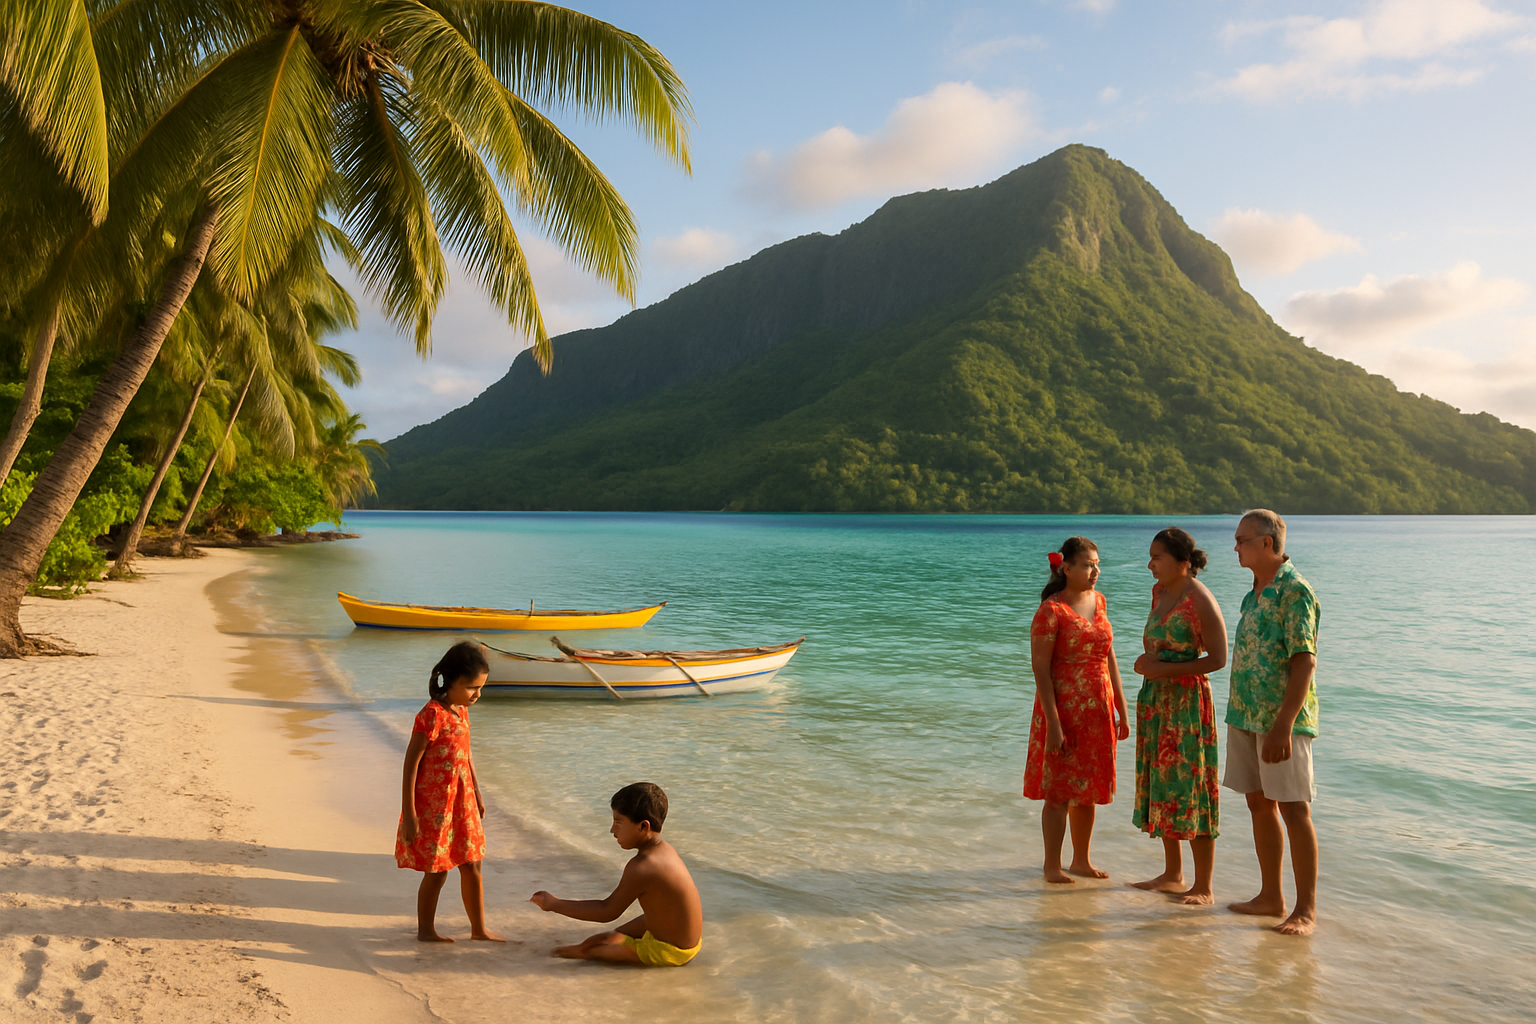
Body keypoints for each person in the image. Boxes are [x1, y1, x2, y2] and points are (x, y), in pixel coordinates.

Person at [1225, 509, 1321, 936]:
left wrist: (1284, 724)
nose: (1236, 546)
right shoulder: (1254, 592)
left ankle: (1306, 910)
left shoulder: (1294, 591)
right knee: (1258, 803)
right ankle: (1270, 897)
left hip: (1281, 720)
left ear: (1267, 543)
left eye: (1242, 539)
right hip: (1245, 713)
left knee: (1294, 809)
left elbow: (1304, 662)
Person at [1023, 536, 1131, 883]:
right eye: (1087, 564)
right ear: (1066, 568)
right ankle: (1051, 866)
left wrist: (1122, 707)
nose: (1095, 570)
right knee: (1058, 792)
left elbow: (1109, 655)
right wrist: (1053, 724)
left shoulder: (1100, 601)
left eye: (1097, 563)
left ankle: (1081, 860)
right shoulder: (1050, 610)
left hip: (1098, 709)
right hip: (1063, 710)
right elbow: (1040, 668)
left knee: (1087, 793)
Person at [1129, 528, 1228, 905]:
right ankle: (1172, 874)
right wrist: (1150, 668)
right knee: (1163, 782)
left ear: (1183, 562)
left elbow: (1217, 660)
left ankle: (1203, 886)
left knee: (1193, 786)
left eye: (1157, 557)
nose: (1150, 563)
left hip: (1186, 705)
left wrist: (1162, 670)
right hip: (1157, 702)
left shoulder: (1199, 598)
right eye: (1151, 556)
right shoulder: (1160, 592)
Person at [396, 641, 503, 942]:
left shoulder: (461, 711)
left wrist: (478, 793)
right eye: (471, 687)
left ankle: (479, 930)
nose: (477, 695)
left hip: (462, 800)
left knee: (473, 863)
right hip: (434, 806)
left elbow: (466, 756)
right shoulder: (430, 715)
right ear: (450, 680)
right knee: (438, 869)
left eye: (481, 688)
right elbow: (410, 766)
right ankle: (426, 931)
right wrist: (409, 815)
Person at [530, 782, 703, 966]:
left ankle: (580, 951)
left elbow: (607, 911)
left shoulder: (643, 866)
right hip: (683, 935)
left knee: (594, 949)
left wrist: (555, 904)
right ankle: (591, 947)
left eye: (618, 822)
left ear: (644, 827)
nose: (612, 830)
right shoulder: (665, 850)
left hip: (671, 951)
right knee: (612, 936)